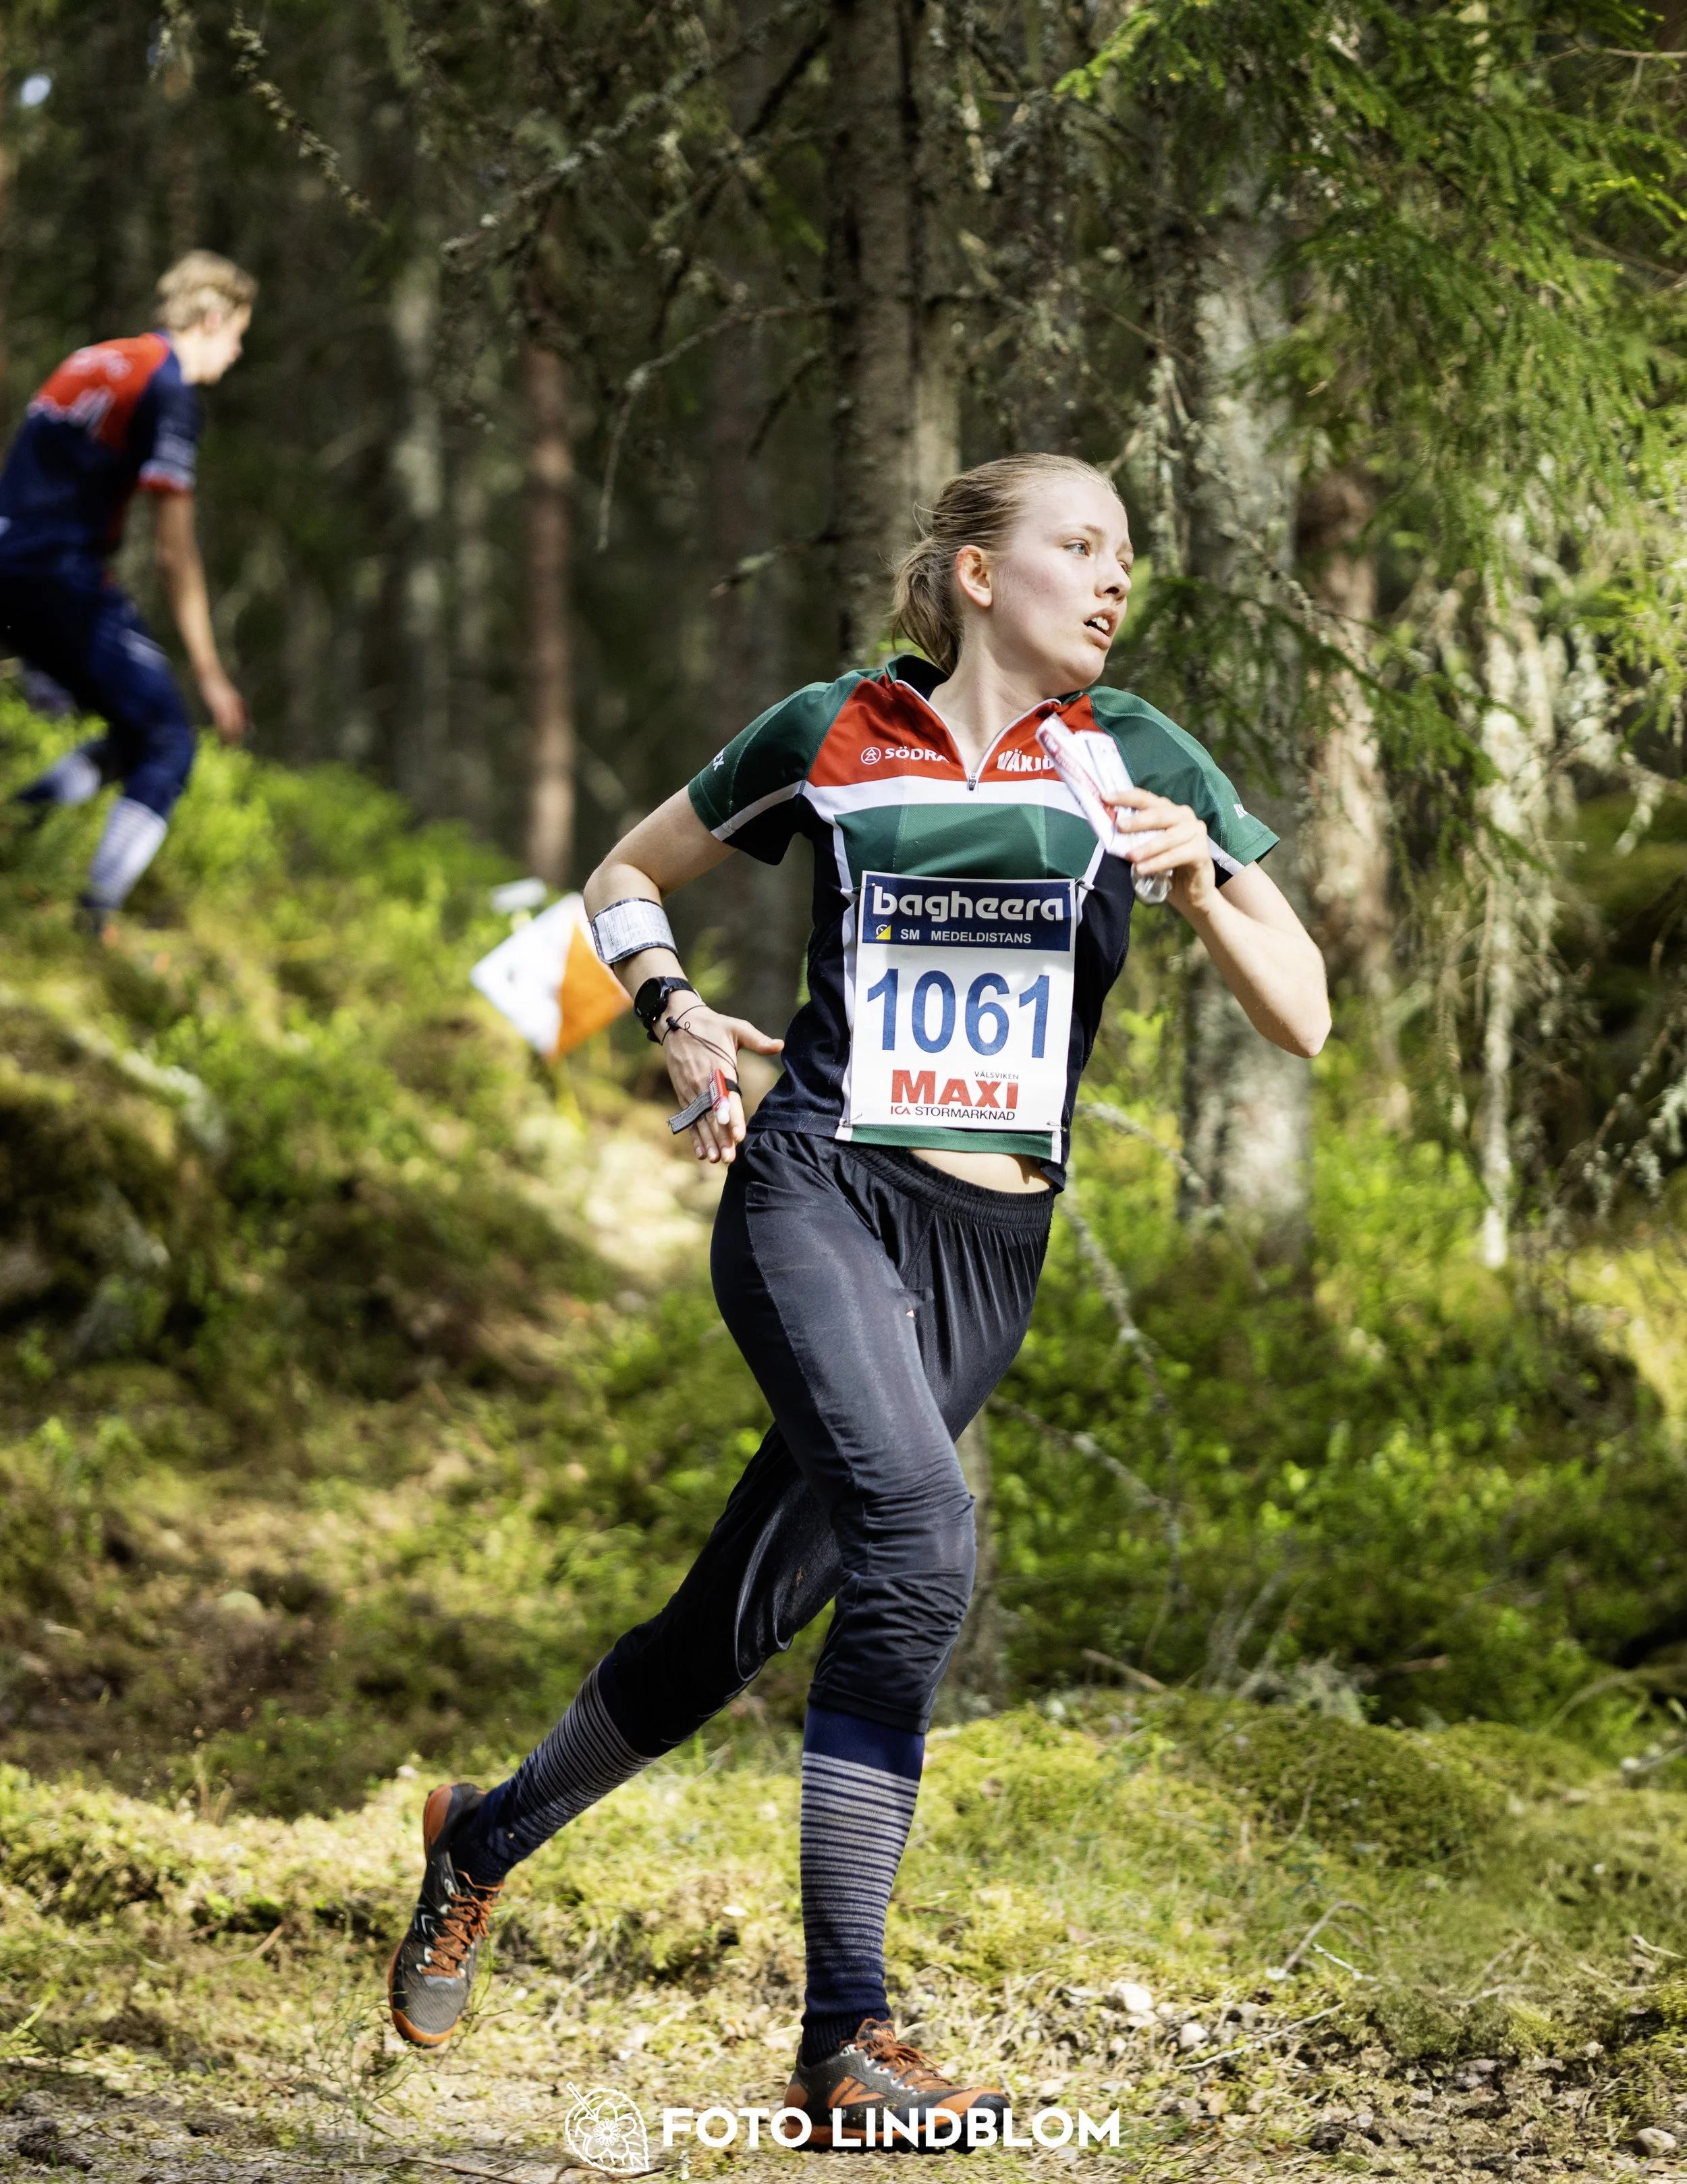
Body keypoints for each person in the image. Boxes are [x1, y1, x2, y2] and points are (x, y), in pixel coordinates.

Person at [387, 454, 1330, 2142]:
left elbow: (1307, 1014)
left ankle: (485, 1834)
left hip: (991, 1255)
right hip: (816, 1186)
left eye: (1127, 556)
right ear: (975, 571)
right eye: (1078, 546)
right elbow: (620, 873)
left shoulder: (1146, 756)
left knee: (727, 1628)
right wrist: (670, 1010)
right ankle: (845, 2043)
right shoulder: (829, 726)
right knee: (921, 1542)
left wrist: (1199, 882)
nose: (1114, 581)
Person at [1, 250, 254, 931]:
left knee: (133, 732)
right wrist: (211, 673)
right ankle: (93, 922)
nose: (234, 356)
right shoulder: (169, 390)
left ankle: (15, 829)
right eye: (236, 338)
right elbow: (175, 551)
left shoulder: (94, 358)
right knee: (171, 743)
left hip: (10, 564)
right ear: (212, 318)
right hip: (61, 580)